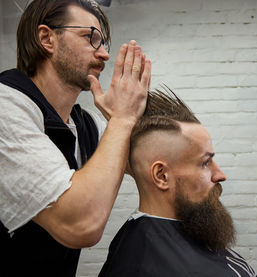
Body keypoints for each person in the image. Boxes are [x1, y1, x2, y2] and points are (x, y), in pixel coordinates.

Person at [0, 0, 151, 276]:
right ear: (47, 38)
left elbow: (151, 164)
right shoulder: (5, 105)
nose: (104, 54)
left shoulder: (86, 124)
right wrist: (121, 119)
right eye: (91, 38)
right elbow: (81, 224)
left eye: (104, 43)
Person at [99, 88, 257, 277]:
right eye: (205, 163)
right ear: (162, 176)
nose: (220, 174)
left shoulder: (192, 229)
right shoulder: (142, 264)